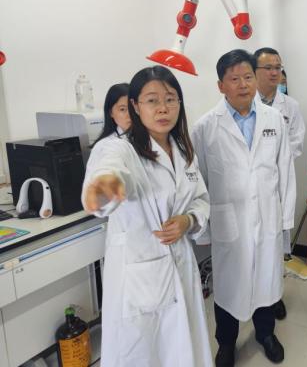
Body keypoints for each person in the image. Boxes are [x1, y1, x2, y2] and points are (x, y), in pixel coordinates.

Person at [82, 66, 213, 367]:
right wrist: (106, 186)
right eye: (152, 100)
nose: (163, 108)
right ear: (135, 106)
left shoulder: (183, 150)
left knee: (185, 348)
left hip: (180, 264)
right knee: (145, 353)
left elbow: (201, 199)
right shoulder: (119, 149)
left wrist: (188, 221)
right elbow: (112, 170)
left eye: (170, 99)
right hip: (141, 276)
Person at [192, 49, 296, 367]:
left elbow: (285, 170)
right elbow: (200, 181)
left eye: (248, 77)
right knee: (227, 286)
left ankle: (266, 334)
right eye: (234, 79)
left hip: (266, 217)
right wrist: (204, 230)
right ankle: (226, 343)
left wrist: (284, 220)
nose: (243, 84)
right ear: (221, 85)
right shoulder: (205, 127)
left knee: (266, 279)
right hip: (229, 222)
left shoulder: (274, 120)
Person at [254, 46, 306, 320]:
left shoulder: (290, 106)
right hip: (253, 184)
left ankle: (275, 298)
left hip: (278, 181)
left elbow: (297, 140)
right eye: (269, 68)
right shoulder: (246, 102)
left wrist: (277, 159)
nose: (275, 73)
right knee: (252, 247)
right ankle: (252, 296)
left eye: (278, 67)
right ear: (254, 71)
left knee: (275, 248)